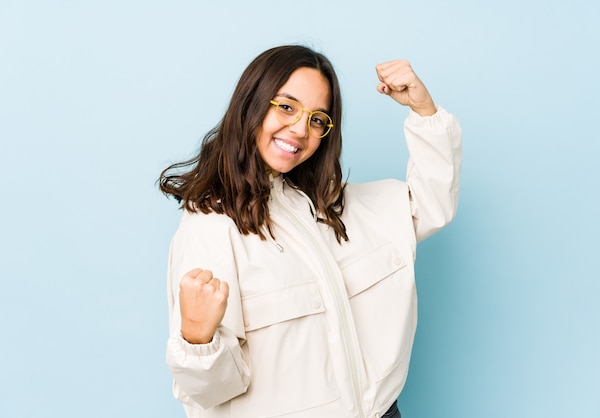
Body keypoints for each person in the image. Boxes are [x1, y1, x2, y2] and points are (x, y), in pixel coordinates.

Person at [159, 45, 462, 418]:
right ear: (251, 104)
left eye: (318, 119)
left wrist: (424, 111)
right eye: (286, 106)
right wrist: (196, 337)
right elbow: (209, 394)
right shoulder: (210, 228)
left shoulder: (331, 206)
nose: (301, 129)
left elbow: (431, 205)